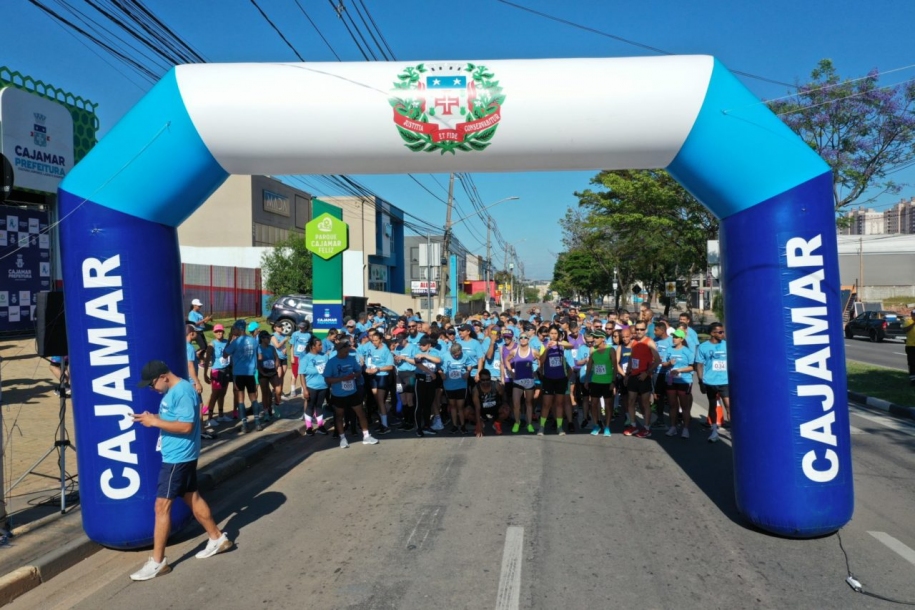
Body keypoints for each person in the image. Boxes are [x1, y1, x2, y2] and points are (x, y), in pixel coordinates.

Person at [130, 360, 232, 581]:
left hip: (178, 457)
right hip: (177, 456)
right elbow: (175, 419)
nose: (151, 388)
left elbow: (187, 426)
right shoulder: (174, 391)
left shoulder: (183, 391)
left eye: (151, 384)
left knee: (161, 507)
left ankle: (158, 562)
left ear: (163, 377)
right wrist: (152, 418)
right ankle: (217, 538)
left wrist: (155, 423)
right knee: (192, 498)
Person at [323, 339, 379, 448]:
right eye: (345, 352)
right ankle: (342, 438)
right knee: (339, 416)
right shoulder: (331, 362)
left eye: (348, 351)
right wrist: (342, 379)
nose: (347, 353)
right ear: (339, 350)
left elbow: (359, 371)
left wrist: (354, 375)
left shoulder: (351, 359)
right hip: (338, 394)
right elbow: (327, 379)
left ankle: (366, 436)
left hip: (353, 392)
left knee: (361, 414)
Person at [622, 327, 661, 438]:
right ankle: (633, 426)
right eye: (637, 329)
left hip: (644, 376)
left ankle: (647, 428)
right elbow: (631, 359)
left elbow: (658, 360)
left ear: (645, 330)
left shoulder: (649, 342)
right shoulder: (633, 342)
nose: (639, 331)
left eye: (641, 329)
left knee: (645, 404)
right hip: (633, 376)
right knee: (631, 402)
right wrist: (627, 374)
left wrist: (647, 373)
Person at [696, 323, 729, 442]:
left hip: (725, 381)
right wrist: (701, 382)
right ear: (712, 333)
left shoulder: (727, 345)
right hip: (710, 381)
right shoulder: (703, 347)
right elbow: (699, 365)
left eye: (723, 332)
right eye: (720, 332)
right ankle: (714, 431)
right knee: (712, 406)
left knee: (729, 406)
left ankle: (733, 435)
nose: (722, 334)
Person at [224, 321, 259, 434]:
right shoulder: (253, 341)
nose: (233, 331)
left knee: (240, 398)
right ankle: (258, 423)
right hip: (250, 373)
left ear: (239, 329)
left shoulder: (236, 342)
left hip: (239, 373)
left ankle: (245, 424)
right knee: (253, 398)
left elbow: (225, 354)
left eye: (234, 329)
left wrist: (230, 339)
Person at [538, 325, 571, 435]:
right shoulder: (544, 345)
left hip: (561, 378)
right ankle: (541, 427)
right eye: (551, 333)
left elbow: (571, 345)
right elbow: (541, 361)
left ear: (558, 334)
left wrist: (558, 343)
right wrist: (547, 348)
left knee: (559, 404)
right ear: (548, 334)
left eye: (555, 333)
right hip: (549, 379)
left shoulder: (561, 345)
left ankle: (560, 427)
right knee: (546, 404)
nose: (553, 335)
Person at [663, 329, 696, 439]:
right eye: (673, 337)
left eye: (676, 337)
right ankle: (673, 427)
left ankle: (685, 429)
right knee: (672, 405)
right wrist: (669, 363)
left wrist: (679, 370)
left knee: (684, 406)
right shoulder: (669, 349)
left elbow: (692, 367)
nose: (674, 339)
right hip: (671, 380)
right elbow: (663, 363)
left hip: (684, 381)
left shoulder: (687, 351)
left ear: (682, 339)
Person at [584, 329, 615, 437]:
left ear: (603, 338)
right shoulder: (592, 350)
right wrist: (587, 379)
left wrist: (613, 381)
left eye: (596, 337)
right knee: (593, 404)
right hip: (595, 381)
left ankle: (607, 426)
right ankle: (596, 425)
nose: (594, 339)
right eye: (594, 337)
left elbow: (615, 367)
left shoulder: (610, 350)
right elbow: (589, 366)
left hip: (607, 381)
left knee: (608, 405)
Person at [440, 342, 476, 434]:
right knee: (453, 406)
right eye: (453, 355)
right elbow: (438, 367)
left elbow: (469, 364)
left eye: (457, 355)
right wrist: (441, 374)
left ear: (460, 351)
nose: (455, 357)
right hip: (449, 385)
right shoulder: (444, 356)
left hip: (461, 385)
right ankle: (455, 425)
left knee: (460, 406)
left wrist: (468, 372)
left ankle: (463, 425)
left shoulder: (465, 355)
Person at [506, 332, 538, 434]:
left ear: (528, 339)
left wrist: (536, 371)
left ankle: (529, 424)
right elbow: (506, 360)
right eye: (521, 338)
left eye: (525, 338)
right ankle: (517, 422)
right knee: (516, 403)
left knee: (529, 403)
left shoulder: (533, 351)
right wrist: (511, 371)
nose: (523, 339)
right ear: (519, 340)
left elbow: (541, 360)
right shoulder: (514, 351)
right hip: (518, 381)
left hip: (529, 380)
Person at [365, 330, 395, 434]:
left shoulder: (386, 351)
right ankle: (382, 422)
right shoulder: (371, 348)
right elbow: (368, 360)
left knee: (381, 401)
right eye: (373, 341)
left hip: (382, 376)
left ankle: (385, 425)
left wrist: (378, 369)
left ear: (381, 340)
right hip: (373, 377)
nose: (374, 343)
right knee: (377, 400)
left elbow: (390, 366)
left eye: (376, 341)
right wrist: (368, 369)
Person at [413, 336, 443, 436]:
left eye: (423, 345)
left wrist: (425, 356)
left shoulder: (434, 351)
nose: (421, 347)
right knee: (419, 404)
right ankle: (418, 428)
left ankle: (427, 426)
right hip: (421, 379)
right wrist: (430, 372)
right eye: (420, 345)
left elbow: (438, 360)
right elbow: (418, 364)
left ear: (429, 345)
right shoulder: (417, 351)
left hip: (431, 381)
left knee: (428, 404)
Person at [202, 324, 232, 423]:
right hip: (216, 371)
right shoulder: (212, 344)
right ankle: (210, 418)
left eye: (221, 331)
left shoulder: (227, 342)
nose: (219, 333)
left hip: (226, 370)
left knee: (222, 394)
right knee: (215, 394)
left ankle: (221, 414)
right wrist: (205, 374)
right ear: (214, 333)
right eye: (217, 331)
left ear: (223, 332)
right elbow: (207, 360)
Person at [300, 336, 330, 435]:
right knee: (310, 406)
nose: (321, 346)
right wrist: (305, 389)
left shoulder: (324, 356)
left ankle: (320, 426)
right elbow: (302, 375)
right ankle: (309, 428)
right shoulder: (306, 358)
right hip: (311, 387)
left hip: (323, 386)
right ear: (313, 346)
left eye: (321, 344)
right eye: (319, 345)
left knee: (319, 406)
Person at [469, 368, 509, 436]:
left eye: (487, 379)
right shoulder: (476, 390)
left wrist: (505, 402)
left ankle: (497, 423)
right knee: (467, 412)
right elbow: (477, 408)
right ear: (480, 379)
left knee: (506, 409)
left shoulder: (496, 385)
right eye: (483, 380)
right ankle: (481, 423)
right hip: (482, 409)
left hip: (495, 408)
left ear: (490, 378)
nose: (485, 382)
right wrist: (478, 425)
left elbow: (504, 393)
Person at [256, 331, 281, 429]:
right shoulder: (258, 348)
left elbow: (277, 357)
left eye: (269, 337)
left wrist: (277, 364)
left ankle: (276, 405)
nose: (269, 339)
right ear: (262, 338)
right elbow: (257, 361)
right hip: (263, 373)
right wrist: (261, 371)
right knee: (265, 393)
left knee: (278, 389)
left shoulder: (271, 347)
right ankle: (266, 412)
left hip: (272, 372)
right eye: (267, 337)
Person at [288, 321, 312, 399]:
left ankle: (303, 390)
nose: (300, 328)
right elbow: (292, 346)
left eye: (302, 327)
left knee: (303, 374)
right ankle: (292, 391)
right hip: (296, 356)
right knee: (294, 374)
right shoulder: (295, 334)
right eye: (300, 326)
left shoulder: (308, 335)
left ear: (306, 327)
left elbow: (309, 347)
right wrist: (292, 357)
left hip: (304, 357)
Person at [270, 322, 290, 400]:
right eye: (279, 326)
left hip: (284, 357)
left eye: (281, 326)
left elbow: (283, 346)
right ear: (275, 328)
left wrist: (285, 349)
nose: (281, 328)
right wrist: (284, 341)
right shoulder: (273, 336)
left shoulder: (283, 335)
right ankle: (278, 392)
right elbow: (277, 346)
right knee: (278, 376)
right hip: (277, 358)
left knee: (282, 376)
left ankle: (279, 391)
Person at [904, 309, 915, 386]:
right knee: (912, 364)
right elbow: (905, 329)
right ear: (912, 315)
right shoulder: (908, 322)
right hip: (911, 346)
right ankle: (913, 380)